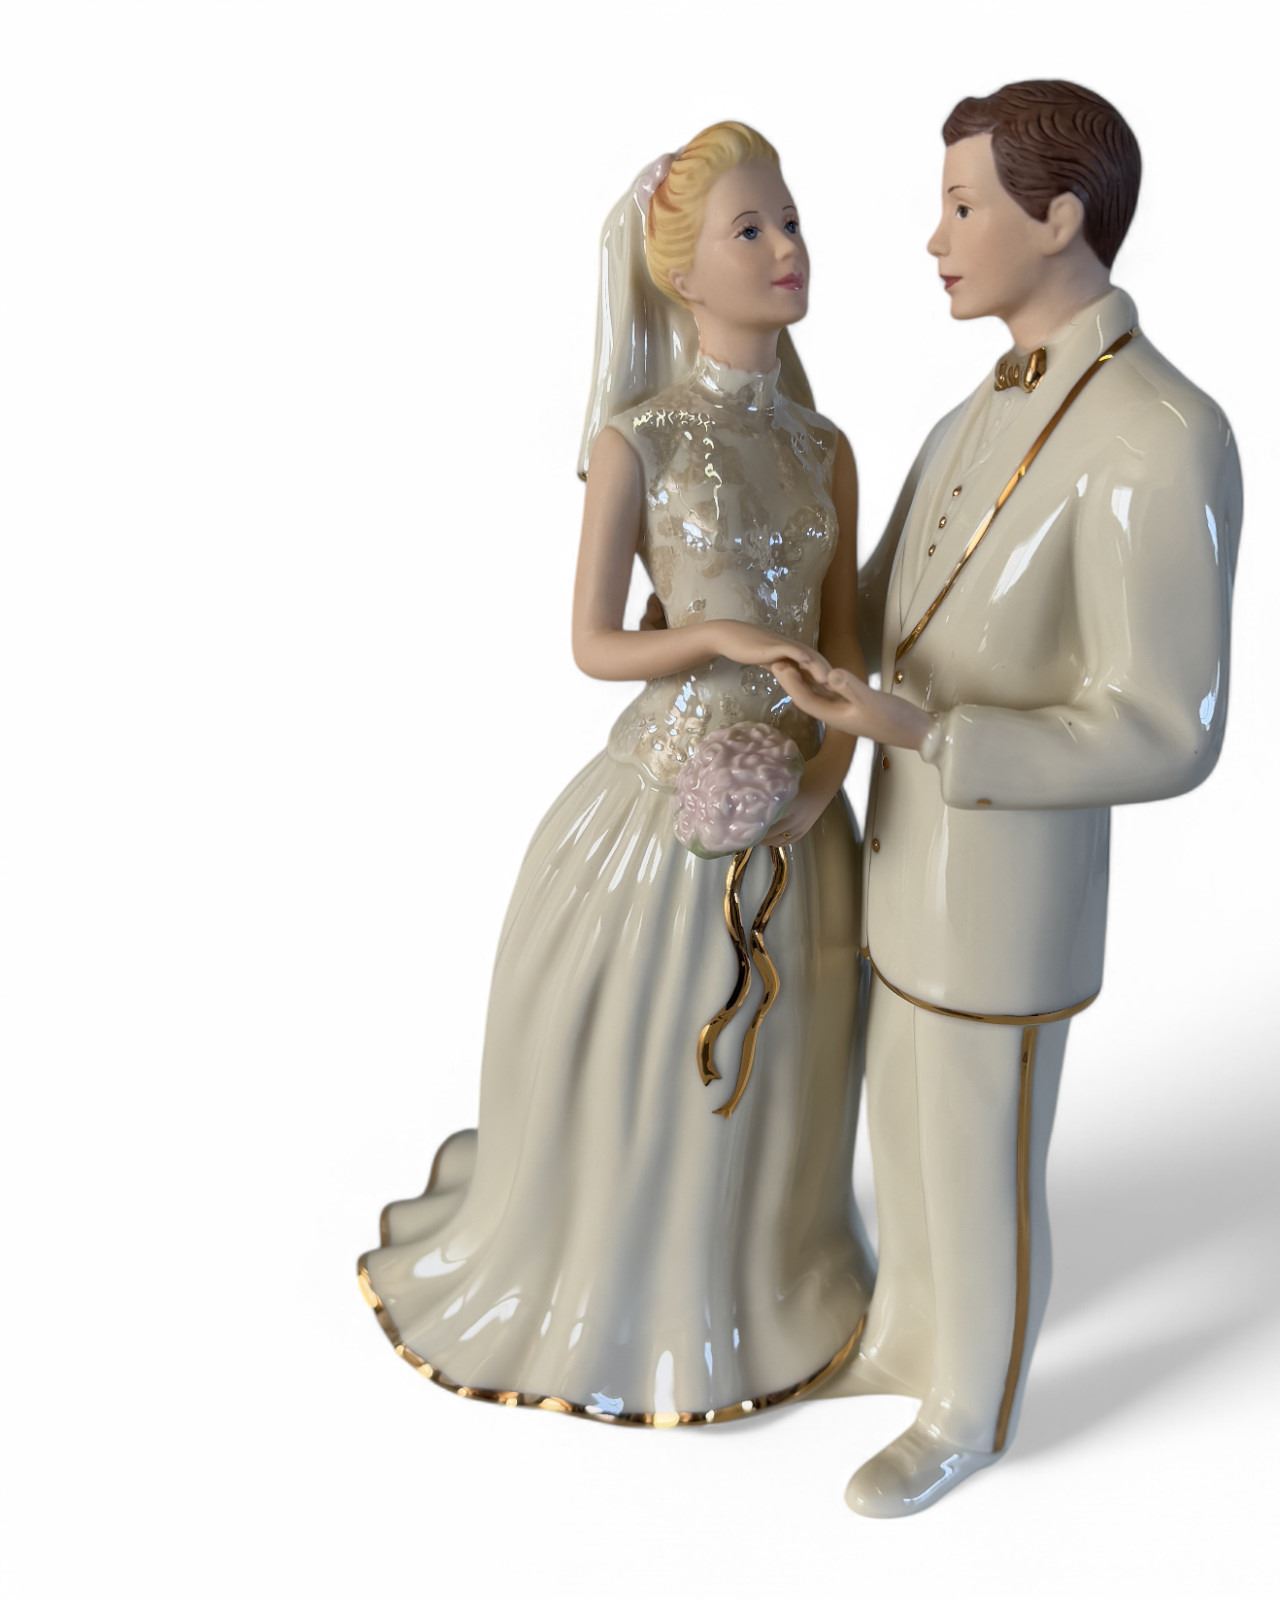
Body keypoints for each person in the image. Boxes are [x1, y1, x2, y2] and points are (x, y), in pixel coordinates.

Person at [356, 121, 872, 1426]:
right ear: (680, 273)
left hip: (800, 814)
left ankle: (767, 1281)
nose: (787, 247)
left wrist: (824, 777)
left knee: (784, 1074)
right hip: (665, 792)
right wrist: (719, 640)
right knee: (651, 1060)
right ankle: (623, 1291)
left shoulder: (826, 448)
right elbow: (594, 644)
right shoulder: (638, 443)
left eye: (791, 221)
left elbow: (850, 651)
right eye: (751, 229)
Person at [776, 80, 1244, 1514]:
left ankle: (970, 1407)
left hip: (1011, 889)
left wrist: (931, 734)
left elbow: (1170, 728)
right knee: (904, 1119)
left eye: (963, 205)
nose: (935, 239)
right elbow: (881, 606)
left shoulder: (1161, 433)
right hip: (900, 859)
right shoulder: (975, 405)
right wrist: (746, 604)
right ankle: (906, 1336)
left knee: (980, 1147)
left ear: (1059, 218)